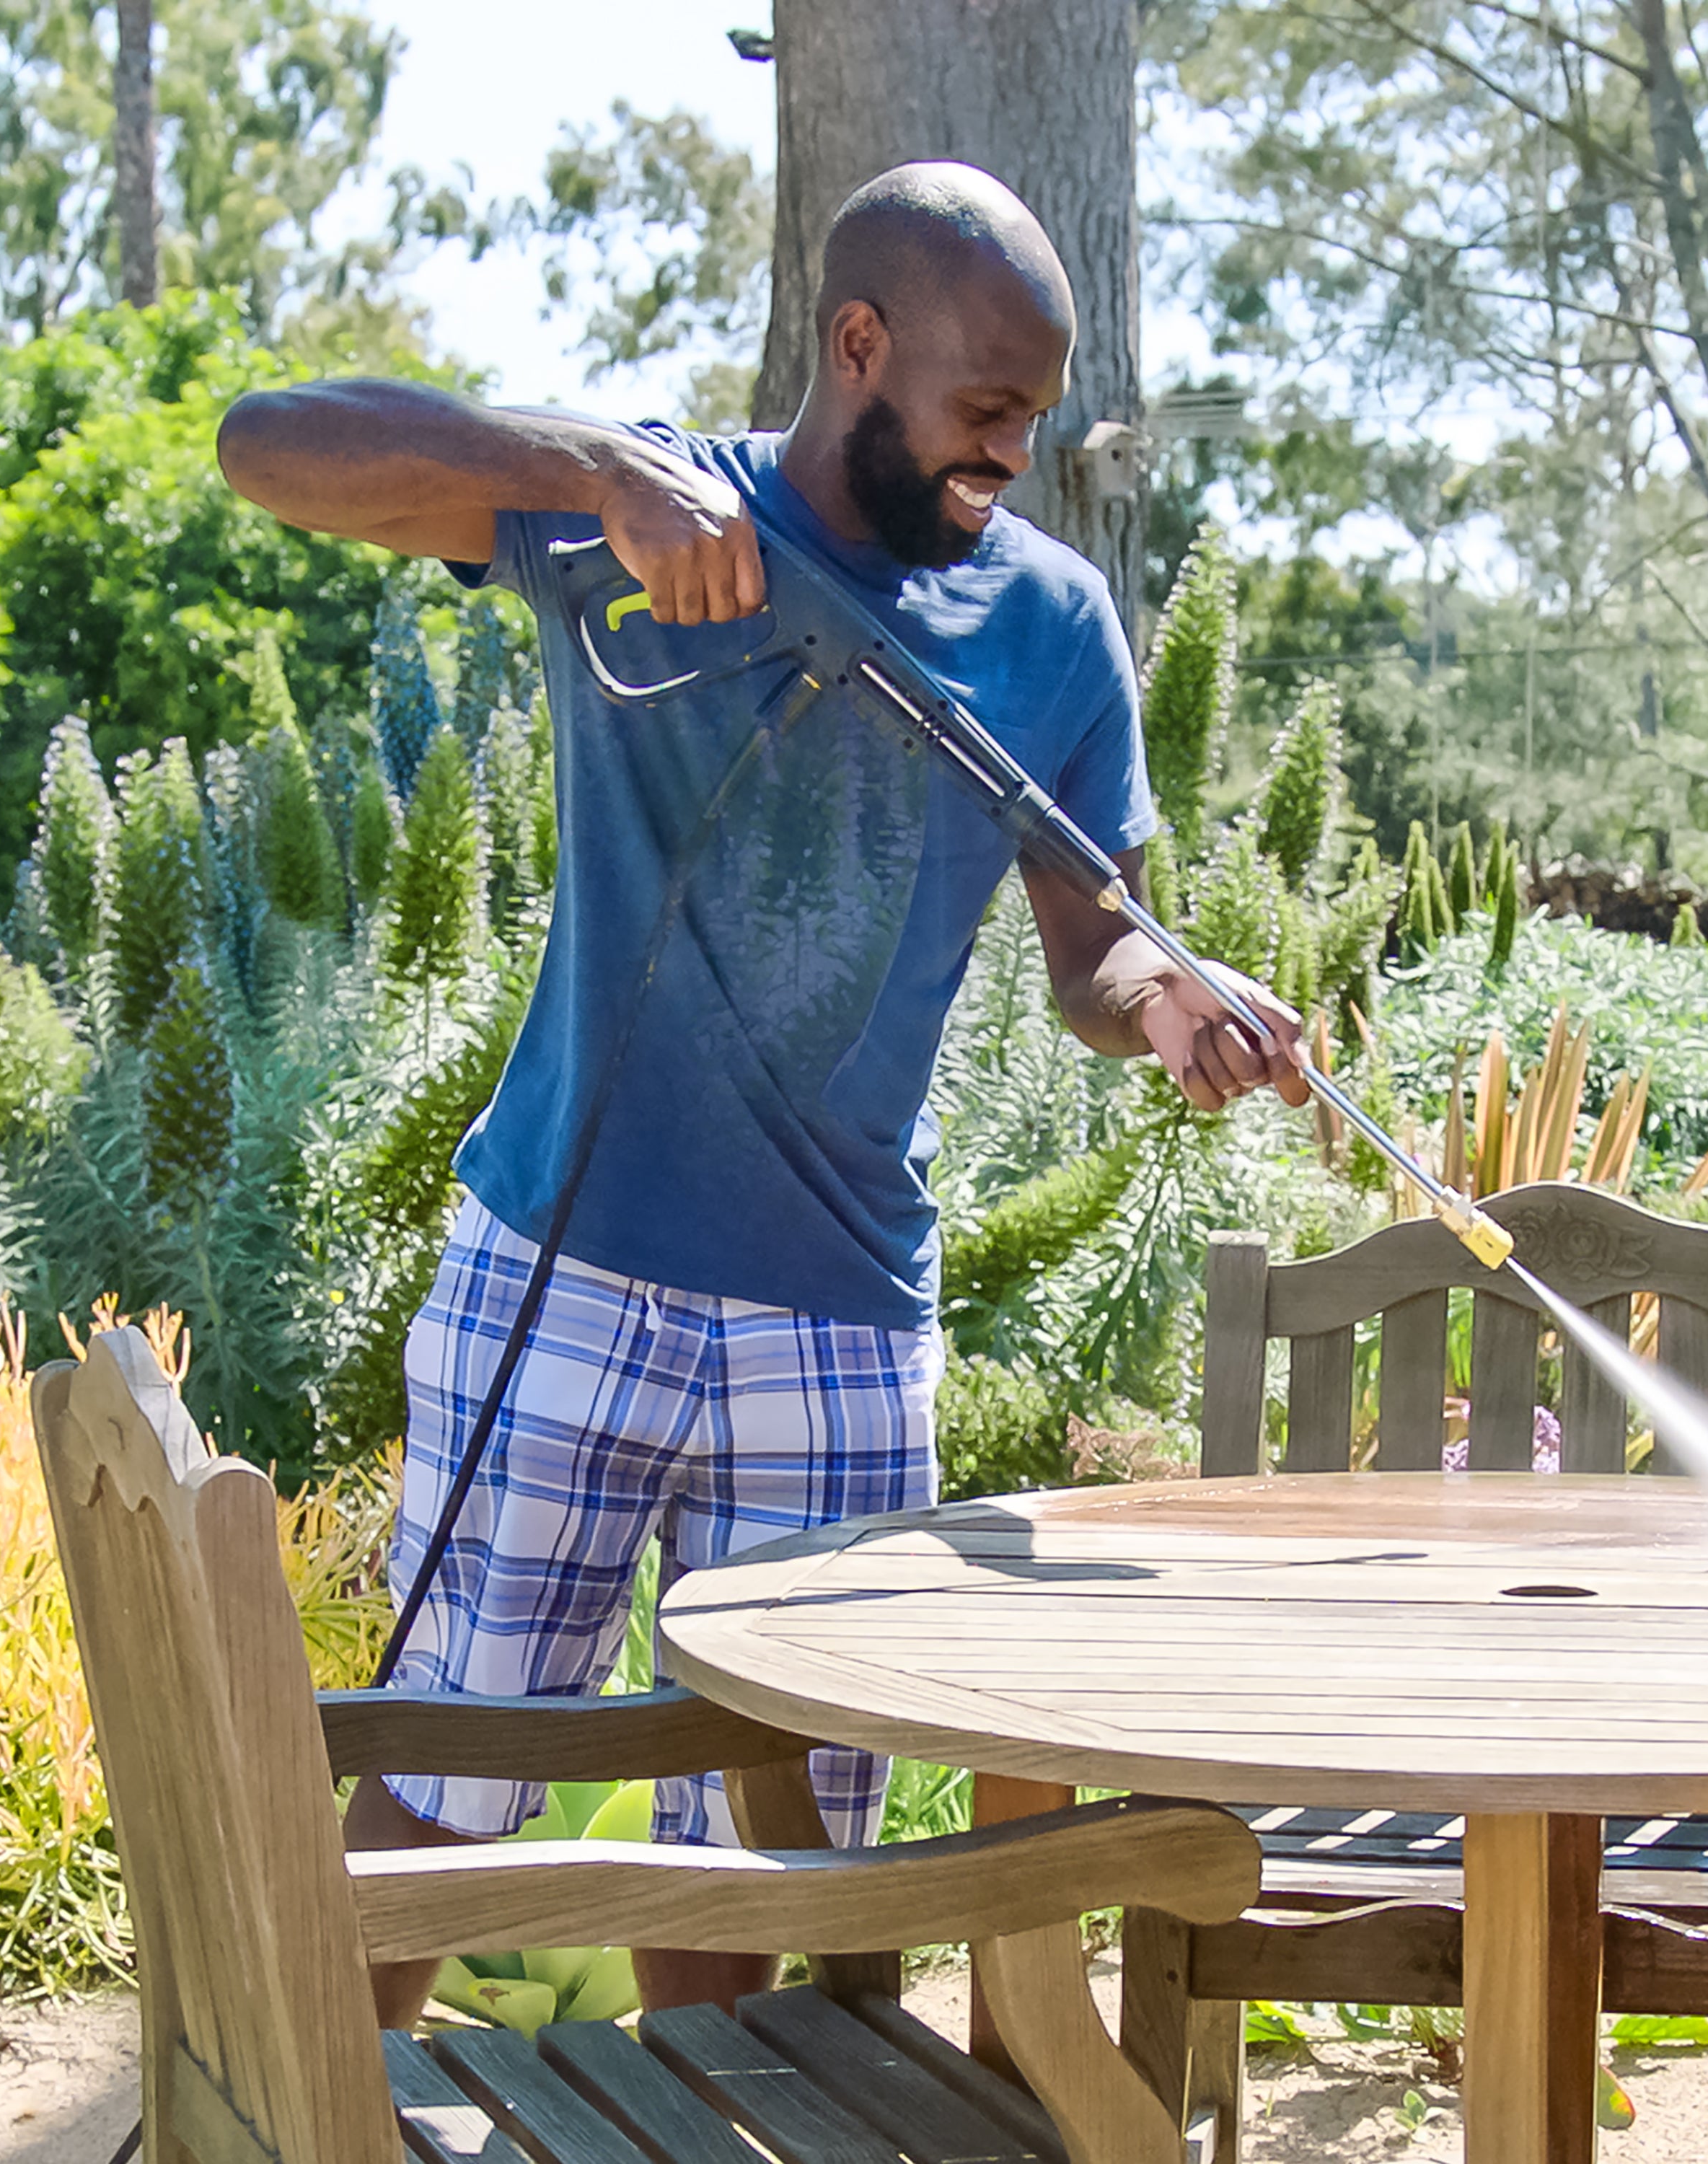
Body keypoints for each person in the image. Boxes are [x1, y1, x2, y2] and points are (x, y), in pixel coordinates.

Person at [217, 159, 1311, 2025]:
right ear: (857, 346)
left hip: (841, 1324)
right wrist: (597, 472)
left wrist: (1175, 1004)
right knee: (444, 1778)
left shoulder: (1051, 628)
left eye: (1034, 422)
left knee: (766, 1833)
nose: (1011, 461)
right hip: (563, 1269)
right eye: (983, 414)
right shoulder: (635, 517)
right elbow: (269, 445)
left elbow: (1093, 949)